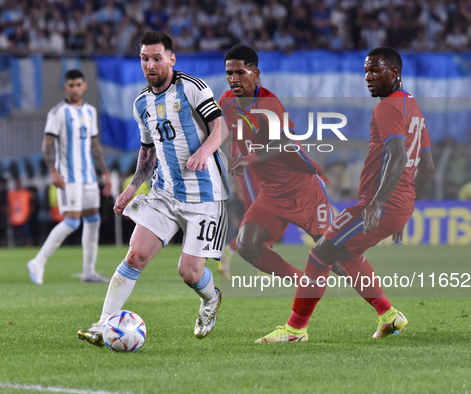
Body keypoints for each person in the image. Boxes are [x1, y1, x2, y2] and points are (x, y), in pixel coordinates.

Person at [256, 47, 435, 343]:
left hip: (380, 203)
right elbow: (427, 167)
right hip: (398, 204)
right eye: (366, 70)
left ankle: (295, 330)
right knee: (348, 255)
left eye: (376, 70)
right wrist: (406, 208)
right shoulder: (412, 106)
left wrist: (378, 203)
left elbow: (398, 157)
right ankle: (389, 316)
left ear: (395, 72)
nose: (368, 77)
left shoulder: (387, 107)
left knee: (320, 253)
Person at [77, 31, 228, 347]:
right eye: (145, 58)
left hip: (204, 195)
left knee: (188, 271)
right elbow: (148, 151)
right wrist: (132, 188)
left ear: (172, 59)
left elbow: (220, 128)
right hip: (164, 191)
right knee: (135, 255)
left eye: (157, 58)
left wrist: (203, 152)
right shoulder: (141, 103)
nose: (150, 64)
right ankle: (104, 323)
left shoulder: (193, 89)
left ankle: (211, 299)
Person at [221, 44, 349, 285]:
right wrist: (233, 161)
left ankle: (386, 309)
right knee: (247, 245)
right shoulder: (226, 103)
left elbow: (284, 141)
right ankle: (304, 283)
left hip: (304, 188)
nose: (233, 79)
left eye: (240, 72)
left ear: (255, 73)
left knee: (333, 259)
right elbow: (233, 134)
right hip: (271, 194)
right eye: (229, 73)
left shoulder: (268, 102)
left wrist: (247, 159)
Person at [27, 69, 112, 284]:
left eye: (78, 84)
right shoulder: (58, 112)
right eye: (71, 85)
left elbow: (95, 146)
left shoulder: (90, 111)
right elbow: (46, 145)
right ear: (65, 88)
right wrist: (53, 171)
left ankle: (89, 272)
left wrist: (106, 173)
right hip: (69, 176)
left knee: (93, 221)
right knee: (72, 222)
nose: (75, 89)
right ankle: (38, 261)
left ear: (84, 86)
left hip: (89, 177)